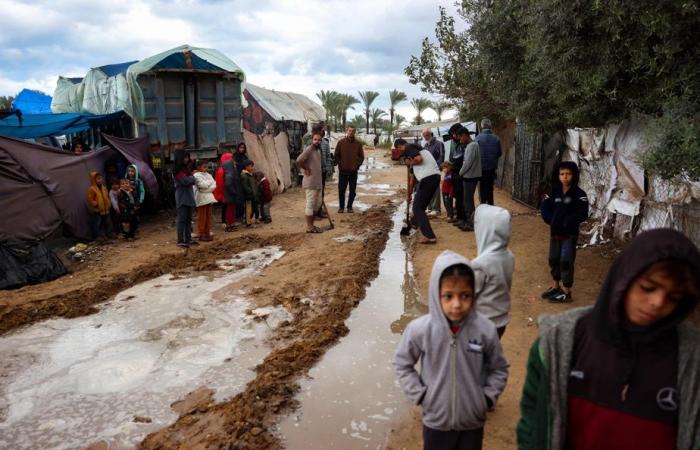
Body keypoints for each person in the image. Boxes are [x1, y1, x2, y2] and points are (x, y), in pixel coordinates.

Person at [517, 228, 700, 450]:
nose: (658, 302)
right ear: (624, 277)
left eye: (674, 297)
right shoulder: (558, 342)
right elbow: (531, 423)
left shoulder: (692, 360)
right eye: (648, 288)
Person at [394, 250, 509, 450]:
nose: (456, 304)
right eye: (448, 296)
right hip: (436, 421)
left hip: (472, 422)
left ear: (474, 293)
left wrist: (487, 398)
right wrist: (421, 395)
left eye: (464, 295)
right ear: (436, 294)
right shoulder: (420, 330)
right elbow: (402, 363)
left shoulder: (485, 330)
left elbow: (499, 368)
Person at [540, 161, 589, 303]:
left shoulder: (580, 194)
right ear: (558, 175)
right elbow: (545, 209)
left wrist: (567, 221)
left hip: (569, 234)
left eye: (568, 174)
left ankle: (567, 291)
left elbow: (582, 213)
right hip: (555, 232)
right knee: (554, 258)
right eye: (562, 174)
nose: (565, 177)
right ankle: (555, 286)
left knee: (566, 261)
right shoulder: (552, 192)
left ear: (574, 175)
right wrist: (552, 220)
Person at [472, 204, 514, 338]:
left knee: (477, 355)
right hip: (501, 320)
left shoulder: (479, 265)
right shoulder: (509, 256)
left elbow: (470, 294)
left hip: (482, 322)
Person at [399, 140, 441, 244]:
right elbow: (412, 180)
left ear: (400, 146)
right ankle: (414, 223)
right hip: (433, 178)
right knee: (420, 206)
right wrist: (408, 195)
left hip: (428, 178)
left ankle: (429, 236)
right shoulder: (415, 154)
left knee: (417, 208)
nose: (407, 161)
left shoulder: (409, 146)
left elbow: (419, 159)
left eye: (406, 159)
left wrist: (410, 162)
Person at [296, 132, 324, 233]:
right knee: (310, 204)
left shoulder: (318, 150)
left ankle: (312, 225)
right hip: (310, 182)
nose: (317, 141)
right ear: (312, 140)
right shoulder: (309, 149)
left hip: (318, 182)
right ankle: (309, 227)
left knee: (318, 204)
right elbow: (299, 160)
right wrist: (306, 168)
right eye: (315, 139)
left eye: (319, 140)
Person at [334, 126, 364, 213]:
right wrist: (340, 164)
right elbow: (336, 155)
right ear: (347, 131)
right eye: (350, 130)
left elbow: (361, 156)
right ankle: (341, 207)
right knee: (341, 190)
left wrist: (357, 165)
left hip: (353, 172)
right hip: (343, 171)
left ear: (355, 132)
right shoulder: (341, 142)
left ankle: (350, 207)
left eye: (353, 131)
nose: (351, 132)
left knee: (352, 190)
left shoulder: (358, 144)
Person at [457, 127, 482, 232]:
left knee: (468, 201)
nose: (460, 140)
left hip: (470, 176)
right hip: (470, 175)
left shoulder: (472, 146)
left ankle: (471, 224)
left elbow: (468, 163)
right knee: (468, 200)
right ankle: (470, 222)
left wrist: (460, 173)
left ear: (464, 135)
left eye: (460, 138)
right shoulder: (472, 145)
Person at [173, 149, 197, 248]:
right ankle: (180, 240)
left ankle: (188, 239)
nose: (187, 159)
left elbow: (189, 179)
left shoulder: (185, 169)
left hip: (189, 196)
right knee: (182, 219)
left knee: (188, 219)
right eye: (185, 157)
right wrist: (193, 178)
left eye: (188, 157)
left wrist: (191, 178)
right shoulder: (176, 170)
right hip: (182, 197)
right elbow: (186, 181)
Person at [475, 118, 502, 206]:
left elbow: (475, 155)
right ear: (490, 126)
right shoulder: (496, 138)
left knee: (482, 189)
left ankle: (483, 207)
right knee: (490, 189)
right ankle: (490, 206)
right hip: (491, 168)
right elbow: (499, 153)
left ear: (482, 127)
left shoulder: (477, 138)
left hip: (481, 169)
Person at [423, 128, 445, 216]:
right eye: (424, 135)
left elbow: (441, 156)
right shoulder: (425, 145)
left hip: (435, 170)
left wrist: (437, 168)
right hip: (427, 171)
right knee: (429, 189)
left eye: (426, 135)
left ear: (430, 134)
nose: (425, 137)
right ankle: (430, 207)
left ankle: (436, 209)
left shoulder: (439, 143)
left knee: (435, 189)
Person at [194, 160, 217, 241]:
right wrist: (208, 185)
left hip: (209, 198)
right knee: (202, 217)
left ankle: (207, 232)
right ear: (198, 167)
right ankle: (201, 234)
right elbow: (201, 185)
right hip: (201, 199)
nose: (206, 168)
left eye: (206, 167)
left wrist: (206, 188)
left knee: (208, 217)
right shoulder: (196, 175)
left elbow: (214, 185)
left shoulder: (209, 175)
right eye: (204, 167)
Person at [86, 171, 113, 240]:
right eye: (98, 179)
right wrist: (94, 203)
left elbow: (106, 196)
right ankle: (99, 236)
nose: (100, 180)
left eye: (101, 178)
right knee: (98, 223)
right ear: (93, 180)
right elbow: (90, 198)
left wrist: (108, 203)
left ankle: (109, 234)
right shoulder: (92, 189)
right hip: (98, 209)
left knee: (107, 222)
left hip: (105, 208)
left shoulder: (104, 187)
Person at [448, 123, 466, 224]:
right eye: (453, 134)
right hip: (455, 173)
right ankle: (459, 216)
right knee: (457, 195)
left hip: (460, 174)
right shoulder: (456, 143)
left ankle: (463, 218)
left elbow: (465, 162)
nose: (454, 136)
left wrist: (460, 172)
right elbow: (454, 157)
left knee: (461, 196)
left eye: (455, 134)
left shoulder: (465, 145)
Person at [240, 160, 259, 227]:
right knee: (248, 209)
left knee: (252, 209)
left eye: (252, 166)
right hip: (248, 196)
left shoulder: (250, 174)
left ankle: (249, 221)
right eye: (251, 166)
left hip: (252, 195)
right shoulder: (244, 176)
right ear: (246, 167)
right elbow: (245, 186)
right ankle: (248, 223)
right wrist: (251, 192)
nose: (252, 168)